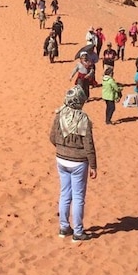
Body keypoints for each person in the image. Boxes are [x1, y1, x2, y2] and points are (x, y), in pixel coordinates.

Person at [50, 85, 97, 241]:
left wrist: (63, 148)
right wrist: (93, 165)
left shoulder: (60, 114)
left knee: (65, 193)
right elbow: (88, 144)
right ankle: (78, 232)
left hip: (61, 159)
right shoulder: (83, 118)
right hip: (78, 162)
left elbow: (52, 137)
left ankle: (64, 227)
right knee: (78, 197)